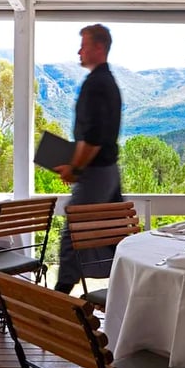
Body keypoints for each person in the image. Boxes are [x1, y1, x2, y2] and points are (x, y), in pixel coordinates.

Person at [53, 24, 123, 294]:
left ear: (98, 47)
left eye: (83, 45)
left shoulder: (96, 85)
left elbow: (93, 138)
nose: (79, 51)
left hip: (95, 172)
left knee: (73, 233)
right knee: (115, 234)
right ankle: (127, 289)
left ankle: (60, 299)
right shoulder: (109, 82)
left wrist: (75, 167)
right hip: (109, 171)